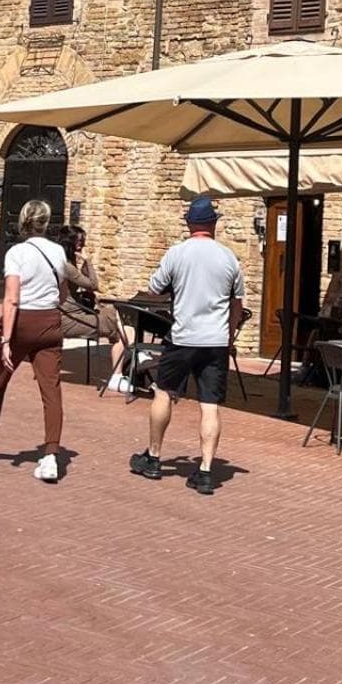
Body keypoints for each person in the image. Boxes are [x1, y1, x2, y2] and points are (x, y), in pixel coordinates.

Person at [128, 195, 244, 496]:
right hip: (215, 341)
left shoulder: (177, 253)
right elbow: (237, 305)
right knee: (210, 405)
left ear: (190, 223)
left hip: (182, 337)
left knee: (163, 392)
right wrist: (230, 335)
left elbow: (154, 288)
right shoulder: (229, 258)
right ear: (213, 224)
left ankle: (154, 458)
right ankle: (205, 471)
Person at [0, 199, 68, 482]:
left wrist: (7, 340)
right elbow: (64, 293)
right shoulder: (58, 251)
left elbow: (11, 298)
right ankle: (50, 457)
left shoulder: (16, 253)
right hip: (50, 322)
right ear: (46, 223)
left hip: (21, 323)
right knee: (51, 392)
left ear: (23, 222)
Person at [56, 225, 130, 389]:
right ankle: (126, 366)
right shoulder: (66, 266)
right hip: (69, 319)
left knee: (115, 318)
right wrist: (88, 260)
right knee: (116, 320)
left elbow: (85, 284)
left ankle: (125, 366)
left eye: (82, 241)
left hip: (75, 313)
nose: (81, 245)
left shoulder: (67, 262)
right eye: (79, 242)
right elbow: (93, 284)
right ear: (69, 242)